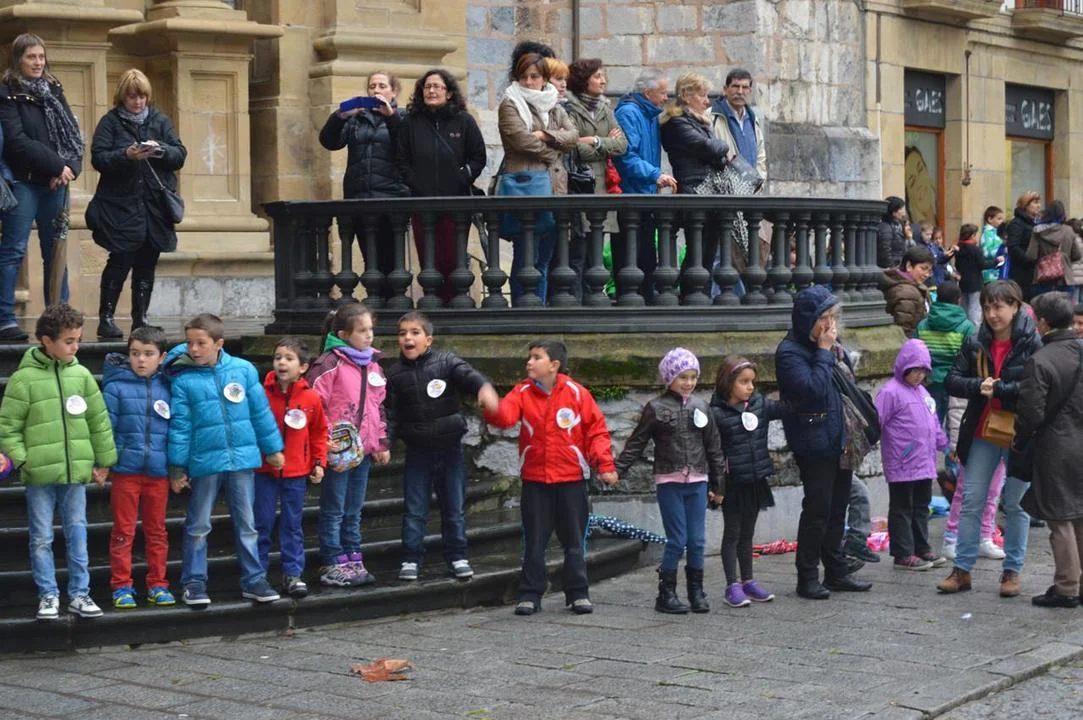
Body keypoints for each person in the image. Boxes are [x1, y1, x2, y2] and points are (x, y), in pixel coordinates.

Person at [484, 339, 618, 616]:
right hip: (536, 480)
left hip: (571, 479)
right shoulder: (522, 391)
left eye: (536, 357)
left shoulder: (577, 394)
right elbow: (506, 417)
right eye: (529, 357)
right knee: (534, 541)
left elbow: (596, 431)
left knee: (574, 541)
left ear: (554, 365)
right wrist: (492, 405)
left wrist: (604, 464)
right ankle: (530, 594)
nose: (529, 362)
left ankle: (578, 593)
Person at [0, 303, 114, 621]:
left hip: (75, 473)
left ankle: (79, 593)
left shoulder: (82, 375)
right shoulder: (23, 380)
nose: (75, 347)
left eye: (78, 339)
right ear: (47, 341)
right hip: (39, 476)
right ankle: (48, 594)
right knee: (41, 537)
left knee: (78, 533)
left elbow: (98, 421)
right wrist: (24, 461)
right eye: (69, 341)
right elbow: (7, 427)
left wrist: (104, 460)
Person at [164, 313, 285, 607]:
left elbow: (260, 413)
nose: (194, 349)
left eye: (201, 343)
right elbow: (180, 426)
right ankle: (194, 582)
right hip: (205, 462)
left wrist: (272, 448)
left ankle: (254, 579)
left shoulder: (243, 370)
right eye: (189, 343)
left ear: (219, 343)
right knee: (198, 525)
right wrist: (177, 466)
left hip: (242, 460)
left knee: (247, 524)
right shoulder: (184, 380)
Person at [938, 280, 1042, 596]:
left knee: (1016, 504)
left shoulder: (1031, 342)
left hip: (1018, 431)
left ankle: (1012, 571)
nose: (992, 314)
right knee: (972, 499)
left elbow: (1036, 388)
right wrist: (977, 386)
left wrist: (1000, 390)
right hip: (982, 429)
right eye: (986, 307)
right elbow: (952, 380)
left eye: (998, 307)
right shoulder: (975, 340)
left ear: (1015, 306)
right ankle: (962, 569)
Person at [385, 311, 499, 581]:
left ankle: (457, 555)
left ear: (428, 339)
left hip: (450, 449)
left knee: (454, 506)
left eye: (415, 333)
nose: (408, 338)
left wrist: (483, 387)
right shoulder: (394, 375)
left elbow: (468, 375)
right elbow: (390, 415)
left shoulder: (446, 362)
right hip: (418, 451)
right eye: (402, 334)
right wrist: (384, 442)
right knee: (415, 508)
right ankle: (411, 558)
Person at [775, 285, 873, 599]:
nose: (831, 325)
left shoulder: (830, 347)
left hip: (839, 435)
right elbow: (811, 391)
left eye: (833, 317)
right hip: (812, 439)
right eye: (824, 318)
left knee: (838, 507)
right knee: (817, 510)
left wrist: (830, 352)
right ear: (809, 319)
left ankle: (836, 571)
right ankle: (807, 577)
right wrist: (823, 352)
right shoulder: (790, 352)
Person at [616, 348, 726, 614]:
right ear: (669, 378)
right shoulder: (655, 408)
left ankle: (696, 592)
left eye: (693, 377)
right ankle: (666, 594)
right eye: (682, 377)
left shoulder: (702, 406)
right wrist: (617, 470)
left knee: (697, 541)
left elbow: (714, 448)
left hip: (698, 481)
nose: (688, 383)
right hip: (669, 481)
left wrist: (718, 485)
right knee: (677, 539)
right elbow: (637, 443)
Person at [87, 69, 186, 340]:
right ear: (123, 97)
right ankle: (106, 318)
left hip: (154, 207)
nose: (138, 102)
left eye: (142, 96)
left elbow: (179, 154)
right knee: (120, 260)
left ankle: (140, 318)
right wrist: (126, 155)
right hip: (121, 206)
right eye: (132, 97)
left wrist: (159, 150)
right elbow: (98, 158)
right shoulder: (110, 122)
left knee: (147, 262)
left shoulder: (159, 120)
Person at [0, 34, 82, 343]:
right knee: (13, 250)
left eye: (41, 56)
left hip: (55, 185)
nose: (37, 62)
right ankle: (5, 319)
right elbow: (17, 141)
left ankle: (58, 320)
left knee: (56, 251)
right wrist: (56, 166)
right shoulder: (7, 93)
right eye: (31, 57)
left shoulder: (54, 90)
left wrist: (69, 169)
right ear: (18, 59)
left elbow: (73, 136)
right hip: (24, 183)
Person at [306, 303, 390, 587]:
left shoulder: (373, 364)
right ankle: (332, 560)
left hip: (362, 449)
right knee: (334, 508)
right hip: (338, 450)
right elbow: (313, 405)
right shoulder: (329, 364)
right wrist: (324, 439)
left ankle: (353, 556)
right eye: (362, 330)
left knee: (354, 508)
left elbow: (379, 406)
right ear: (343, 334)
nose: (369, 335)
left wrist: (380, 441)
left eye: (371, 329)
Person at [1014, 292, 1083, 608]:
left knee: (1059, 518)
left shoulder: (1041, 360)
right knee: (1079, 514)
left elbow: (1031, 412)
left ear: (1042, 322)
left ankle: (1067, 586)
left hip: (1056, 446)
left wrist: (1020, 439)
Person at [396, 69, 486, 303]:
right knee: (429, 260)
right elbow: (401, 160)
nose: (431, 91)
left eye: (437, 86)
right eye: (427, 87)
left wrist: (462, 177)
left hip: (455, 203)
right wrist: (415, 183)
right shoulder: (410, 122)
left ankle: (455, 304)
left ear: (449, 92)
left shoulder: (464, 121)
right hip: (422, 203)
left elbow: (478, 157)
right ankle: (432, 304)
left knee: (452, 260)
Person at [318, 70, 408, 301]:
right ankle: (375, 304)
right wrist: (340, 116)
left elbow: (408, 147)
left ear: (394, 91)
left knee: (391, 260)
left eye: (382, 86)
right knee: (370, 260)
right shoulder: (356, 119)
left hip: (391, 198)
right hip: (359, 196)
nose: (376, 90)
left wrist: (391, 117)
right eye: (372, 86)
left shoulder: (403, 117)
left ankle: (393, 304)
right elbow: (329, 142)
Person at [496, 52, 577, 305]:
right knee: (525, 257)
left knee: (543, 258)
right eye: (524, 77)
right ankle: (523, 310)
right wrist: (554, 151)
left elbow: (572, 136)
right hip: (525, 187)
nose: (529, 82)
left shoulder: (553, 103)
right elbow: (522, 141)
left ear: (544, 79)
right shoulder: (510, 103)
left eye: (535, 76)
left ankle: (537, 309)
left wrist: (545, 134)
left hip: (553, 187)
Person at [102, 325, 173, 610]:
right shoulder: (115, 387)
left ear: (161, 357)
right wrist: (104, 462)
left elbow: (177, 428)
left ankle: (158, 583)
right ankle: (121, 585)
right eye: (134, 353)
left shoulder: (169, 386)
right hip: (126, 472)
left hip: (158, 472)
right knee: (123, 530)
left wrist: (177, 467)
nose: (141, 360)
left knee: (157, 531)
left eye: (148, 354)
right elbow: (106, 428)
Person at [254, 338, 328, 600]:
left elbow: (319, 432)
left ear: (303, 367)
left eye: (288, 358)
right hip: (264, 471)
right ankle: (257, 574)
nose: (282, 363)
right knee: (261, 523)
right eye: (278, 358)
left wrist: (319, 462)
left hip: (296, 471)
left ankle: (293, 573)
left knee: (292, 524)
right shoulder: (261, 394)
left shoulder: (311, 398)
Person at [709, 356, 780, 607]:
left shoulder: (759, 404)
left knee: (748, 533)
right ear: (728, 383)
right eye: (744, 382)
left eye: (752, 382)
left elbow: (787, 407)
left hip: (755, 479)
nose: (750, 387)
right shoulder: (716, 413)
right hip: (732, 483)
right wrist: (716, 486)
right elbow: (713, 453)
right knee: (733, 532)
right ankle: (732, 585)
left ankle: (748, 581)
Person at [875, 339, 949, 571]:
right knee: (902, 508)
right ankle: (903, 553)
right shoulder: (890, 392)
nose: (919, 375)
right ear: (904, 367)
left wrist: (945, 445)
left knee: (921, 507)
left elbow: (934, 423)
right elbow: (876, 421)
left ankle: (921, 547)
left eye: (923, 371)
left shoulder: (923, 392)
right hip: (902, 462)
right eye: (915, 370)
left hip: (924, 462)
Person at [659, 72, 730, 293]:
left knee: (707, 253)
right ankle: (691, 297)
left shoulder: (700, 122)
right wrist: (723, 146)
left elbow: (715, 155)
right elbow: (709, 148)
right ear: (686, 95)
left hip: (711, 190)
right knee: (697, 253)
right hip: (694, 190)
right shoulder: (676, 122)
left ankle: (700, 296)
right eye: (702, 95)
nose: (707, 101)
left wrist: (717, 150)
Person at [613, 69, 678, 304]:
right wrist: (655, 175)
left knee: (647, 259)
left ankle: (645, 302)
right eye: (662, 93)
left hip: (646, 195)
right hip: (630, 195)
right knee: (631, 257)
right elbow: (626, 157)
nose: (666, 98)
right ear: (648, 93)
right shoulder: (629, 113)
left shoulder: (650, 114)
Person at [564, 58, 627, 293]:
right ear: (584, 80)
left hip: (602, 190)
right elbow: (574, 147)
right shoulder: (569, 109)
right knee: (577, 255)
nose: (603, 81)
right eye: (597, 76)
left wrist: (597, 141)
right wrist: (604, 143)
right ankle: (576, 304)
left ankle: (594, 300)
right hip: (579, 187)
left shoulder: (605, 108)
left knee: (596, 256)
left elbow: (622, 145)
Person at [916, 281, 976, 424]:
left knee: (931, 418)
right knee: (956, 421)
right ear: (959, 300)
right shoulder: (967, 327)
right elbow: (971, 356)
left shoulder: (923, 325)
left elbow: (916, 353)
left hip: (929, 379)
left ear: (937, 297)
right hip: (958, 381)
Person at [710, 68, 765, 183]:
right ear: (725, 90)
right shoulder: (711, 117)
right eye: (735, 86)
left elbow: (760, 155)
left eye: (745, 87)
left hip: (751, 189)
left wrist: (760, 181)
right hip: (724, 189)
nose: (740, 92)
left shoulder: (753, 119)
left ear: (750, 91)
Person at [1027, 201, 1081, 297]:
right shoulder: (1068, 231)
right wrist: (1064, 258)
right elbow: (1077, 255)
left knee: (1043, 306)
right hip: (1065, 279)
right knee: (1065, 306)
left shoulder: (1037, 231)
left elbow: (1031, 255)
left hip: (1042, 278)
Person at [880, 245, 934, 336]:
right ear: (909, 266)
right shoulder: (906, 293)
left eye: (929, 271)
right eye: (923, 268)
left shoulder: (917, 286)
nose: (927, 274)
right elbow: (903, 331)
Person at [954, 223, 1001, 325]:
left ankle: (963, 327)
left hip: (963, 281)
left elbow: (957, 265)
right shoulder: (975, 249)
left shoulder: (958, 247)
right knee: (975, 308)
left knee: (964, 306)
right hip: (975, 282)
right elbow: (983, 264)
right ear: (972, 235)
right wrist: (996, 261)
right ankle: (974, 330)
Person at [1005, 191, 1041, 300]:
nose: (1038, 206)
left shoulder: (1034, 223)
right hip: (1021, 274)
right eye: (1035, 202)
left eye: (1039, 202)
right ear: (1026, 205)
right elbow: (1013, 247)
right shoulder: (1017, 223)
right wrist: (1029, 260)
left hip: (1033, 274)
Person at [915, 222, 955, 288]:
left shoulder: (932, 245)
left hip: (939, 277)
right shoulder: (920, 247)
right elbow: (930, 261)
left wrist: (950, 254)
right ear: (921, 233)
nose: (929, 237)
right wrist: (942, 255)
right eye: (927, 234)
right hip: (930, 278)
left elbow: (940, 259)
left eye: (930, 234)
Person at [876, 196, 907, 268]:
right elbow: (885, 250)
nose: (902, 212)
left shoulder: (898, 225)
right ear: (893, 211)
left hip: (898, 264)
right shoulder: (885, 227)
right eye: (900, 209)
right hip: (892, 267)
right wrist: (892, 267)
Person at [979, 207, 1006, 287]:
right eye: (999, 219)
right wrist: (1002, 251)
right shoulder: (987, 233)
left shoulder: (995, 233)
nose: (1002, 221)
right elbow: (987, 251)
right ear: (990, 219)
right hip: (990, 274)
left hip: (997, 272)